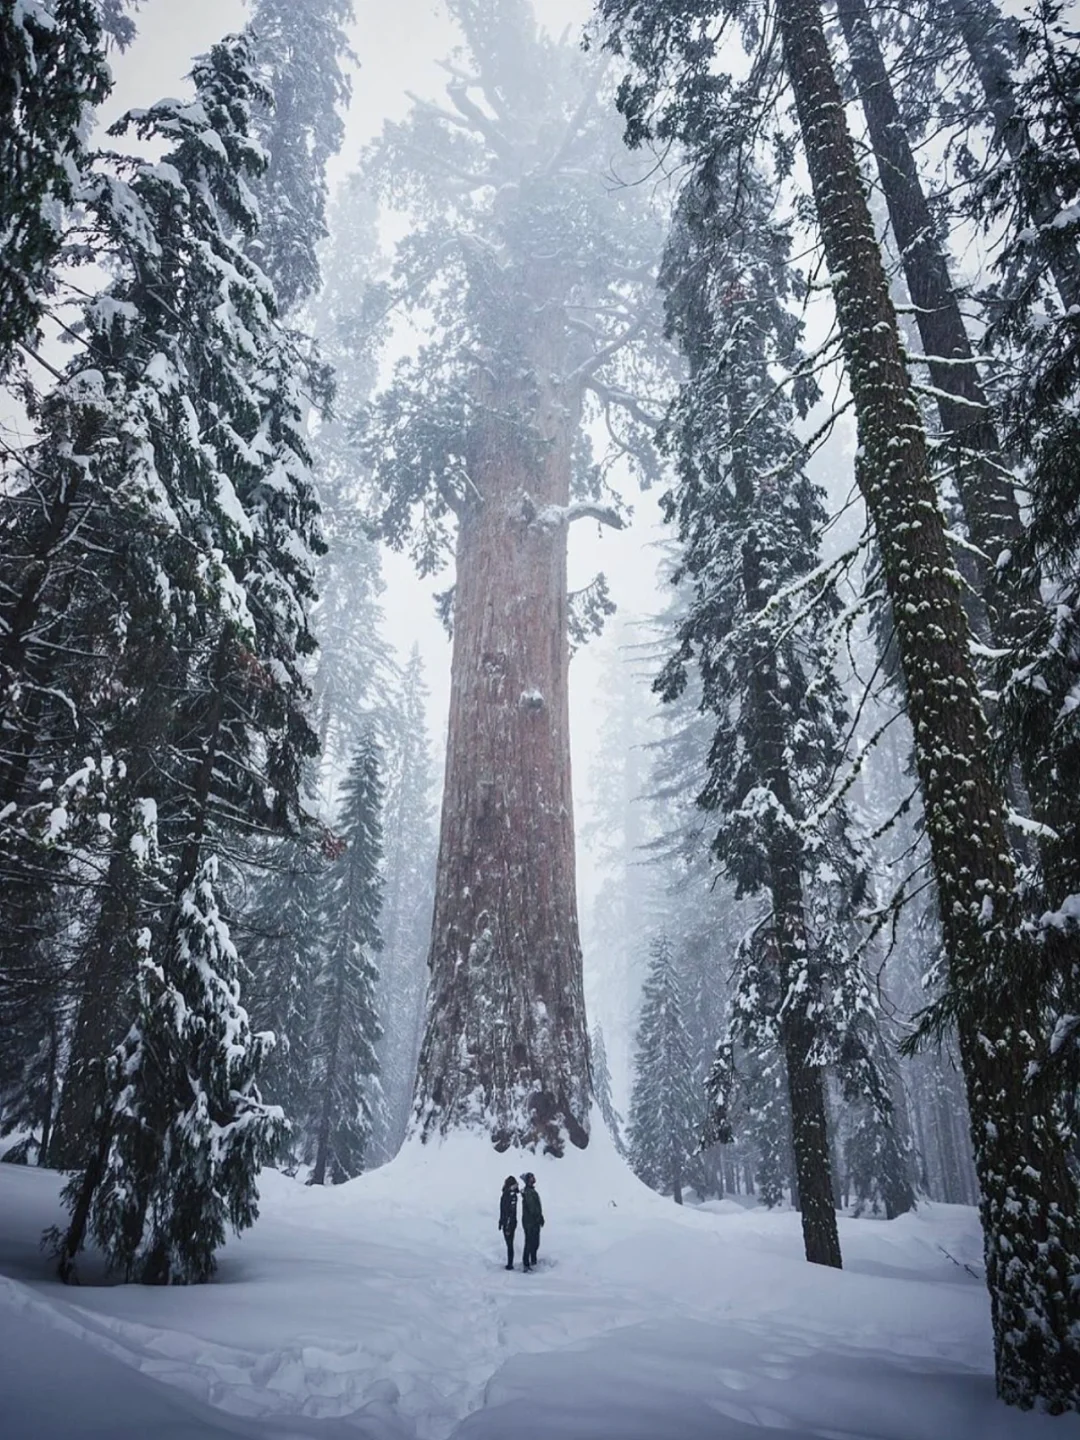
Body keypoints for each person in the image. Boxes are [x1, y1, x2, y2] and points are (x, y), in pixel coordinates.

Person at [520, 1172, 544, 1271]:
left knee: (534, 1242)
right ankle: (527, 1263)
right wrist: (538, 1217)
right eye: (531, 1178)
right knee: (530, 1242)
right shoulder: (529, 1192)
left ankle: (532, 1260)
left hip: (533, 1221)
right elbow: (533, 1208)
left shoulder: (531, 1191)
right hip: (530, 1222)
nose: (533, 1179)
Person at [498, 1175, 519, 1270]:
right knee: (509, 1244)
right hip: (509, 1222)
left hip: (509, 1223)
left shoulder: (509, 1195)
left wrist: (506, 1225)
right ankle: (510, 1263)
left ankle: (510, 1264)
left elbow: (509, 1211)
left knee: (509, 1244)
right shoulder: (510, 1195)